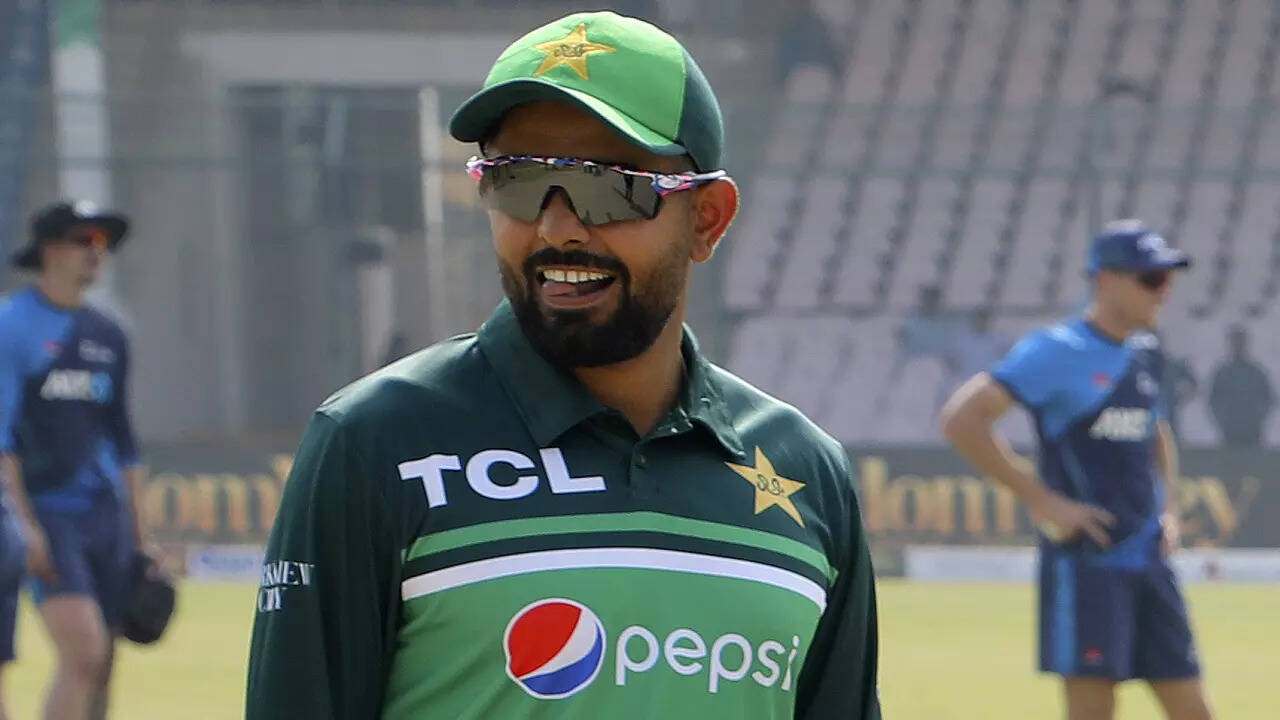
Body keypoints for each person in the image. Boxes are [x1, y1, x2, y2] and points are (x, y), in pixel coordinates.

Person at [246, 11, 880, 720]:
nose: (556, 228)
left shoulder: (805, 472)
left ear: (707, 218)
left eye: (607, 186)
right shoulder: (374, 441)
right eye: (516, 180)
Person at [939, 220, 1213, 720]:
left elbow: (1156, 432)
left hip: (1149, 560)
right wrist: (1041, 499)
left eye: (1168, 278)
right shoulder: (1055, 350)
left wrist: (1168, 509)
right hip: (1089, 565)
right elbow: (963, 419)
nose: (1164, 291)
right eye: (1151, 278)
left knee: (1195, 711)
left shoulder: (1145, 352)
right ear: (1105, 280)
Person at [0, 201, 146, 720]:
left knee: (102, 663)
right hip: (48, 511)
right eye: (84, 240)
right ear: (50, 249)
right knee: (83, 650)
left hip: (105, 514)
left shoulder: (109, 334)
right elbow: (2, 437)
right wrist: (23, 525)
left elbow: (123, 439)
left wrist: (140, 534)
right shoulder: (12, 326)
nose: (96, 252)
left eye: (103, 243)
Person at [1207, 325, 1274, 447]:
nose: (1237, 345)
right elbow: (1213, 400)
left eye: (1240, 342)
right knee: (1230, 457)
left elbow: (1268, 398)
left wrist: (1258, 418)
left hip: (1252, 429)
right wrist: (1222, 419)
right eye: (1235, 342)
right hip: (1229, 428)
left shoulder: (1256, 372)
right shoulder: (1222, 373)